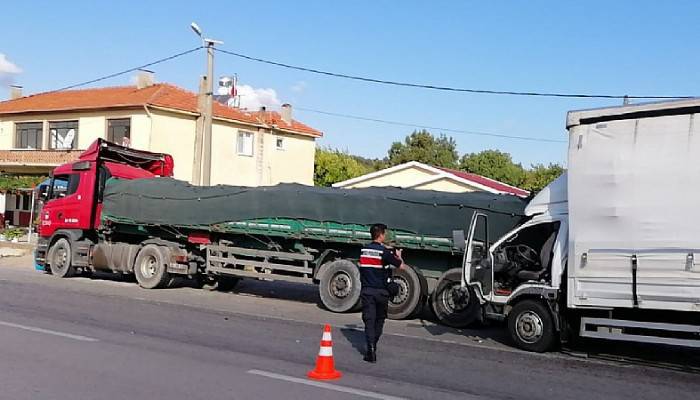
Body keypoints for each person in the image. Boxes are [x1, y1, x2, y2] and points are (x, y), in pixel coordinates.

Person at [359, 223, 406, 363]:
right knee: (379, 320)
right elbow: (401, 266)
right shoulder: (384, 253)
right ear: (380, 235)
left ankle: (370, 350)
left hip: (367, 291)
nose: (385, 235)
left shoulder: (364, 250)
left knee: (369, 321)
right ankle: (374, 345)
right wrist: (399, 256)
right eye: (384, 233)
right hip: (381, 293)